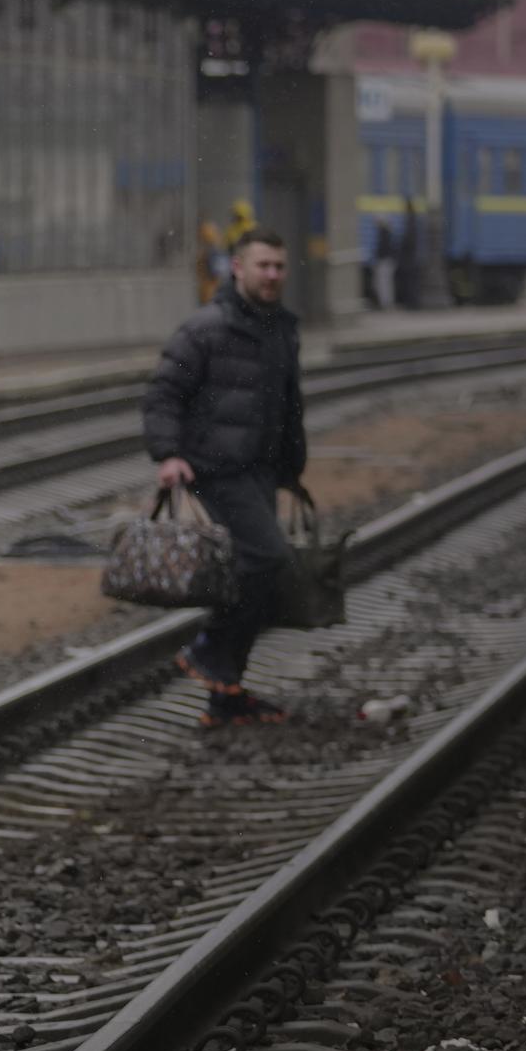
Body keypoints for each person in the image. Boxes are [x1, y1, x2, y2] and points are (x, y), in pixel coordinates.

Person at [144, 228, 307, 728]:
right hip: (215, 468)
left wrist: (290, 467)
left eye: (280, 266)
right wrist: (168, 454)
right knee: (267, 560)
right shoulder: (205, 329)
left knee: (253, 578)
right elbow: (163, 393)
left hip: (259, 469)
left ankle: (226, 695)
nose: (273, 275)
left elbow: (287, 403)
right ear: (237, 267)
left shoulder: (282, 326)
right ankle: (208, 650)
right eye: (264, 266)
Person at [371, 218, 397, 311]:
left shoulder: (383, 234)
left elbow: (381, 249)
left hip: (384, 262)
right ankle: (387, 303)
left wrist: (376, 260)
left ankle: (385, 303)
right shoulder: (388, 233)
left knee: (383, 283)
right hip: (388, 261)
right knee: (387, 283)